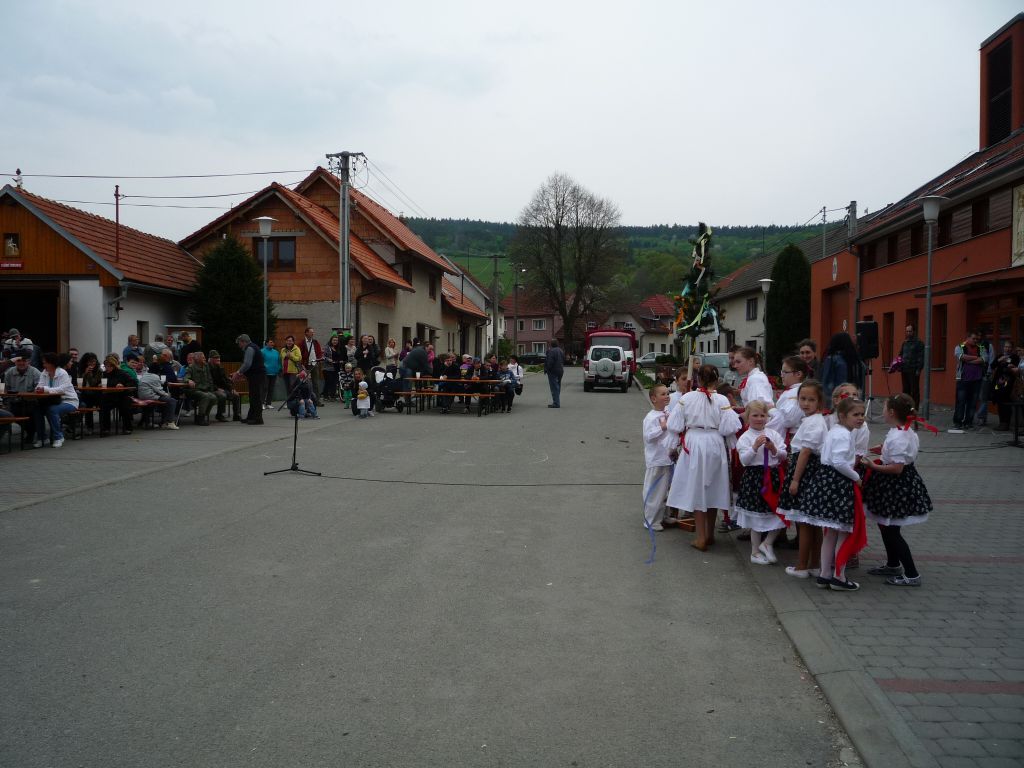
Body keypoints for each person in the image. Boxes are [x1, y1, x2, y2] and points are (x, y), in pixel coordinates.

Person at [791, 395, 866, 592]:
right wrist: (856, 477)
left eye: (862, 414)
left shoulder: (836, 431)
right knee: (843, 532)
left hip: (827, 481)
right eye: (855, 414)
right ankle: (839, 576)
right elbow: (839, 461)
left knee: (831, 533)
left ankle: (825, 574)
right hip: (837, 484)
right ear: (842, 415)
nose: (860, 418)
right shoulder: (843, 435)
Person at [665, 364, 742, 550]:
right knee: (713, 486)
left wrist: (672, 447)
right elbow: (729, 427)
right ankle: (709, 535)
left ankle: (701, 538)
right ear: (716, 380)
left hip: (695, 442)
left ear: (698, 379)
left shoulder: (687, 398)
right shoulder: (722, 399)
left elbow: (675, 425)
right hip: (715, 443)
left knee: (698, 488)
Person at [862, 393, 933, 587]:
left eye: (884, 408)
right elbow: (898, 452)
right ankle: (893, 564)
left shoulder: (900, 436)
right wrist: (883, 449)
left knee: (892, 530)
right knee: (887, 527)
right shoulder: (902, 430)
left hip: (896, 485)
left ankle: (912, 574)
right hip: (896, 483)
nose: (883, 411)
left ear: (892, 412)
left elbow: (897, 468)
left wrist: (873, 466)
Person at [778, 380, 827, 579]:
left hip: (807, 472)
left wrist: (796, 479)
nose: (805, 403)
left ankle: (801, 566)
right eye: (802, 399)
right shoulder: (811, 420)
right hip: (809, 471)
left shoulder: (815, 422)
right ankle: (814, 564)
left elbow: (806, 452)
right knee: (812, 522)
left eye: (811, 400)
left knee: (805, 521)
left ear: (819, 402)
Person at [734, 400, 787, 564]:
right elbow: (744, 460)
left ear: (767, 417)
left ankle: (767, 543)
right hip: (754, 478)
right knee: (756, 517)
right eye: (755, 415)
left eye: (762, 415)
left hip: (773, 477)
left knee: (780, 514)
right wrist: (754, 447)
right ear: (748, 417)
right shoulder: (745, 437)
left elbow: (783, 455)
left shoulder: (773, 434)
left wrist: (773, 449)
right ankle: (755, 552)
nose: (759, 419)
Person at [641, 384, 674, 532]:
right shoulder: (651, 417)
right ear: (654, 399)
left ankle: (663, 515)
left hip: (667, 458)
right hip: (656, 460)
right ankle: (651, 520)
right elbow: (648, 437)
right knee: (655, 491)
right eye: (663, 394)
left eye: (667, 393)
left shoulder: (667, 413)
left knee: (665, 490)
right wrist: (662, 427)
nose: (667, 396)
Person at [33, 352, 80, 448]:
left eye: (45, 363)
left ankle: (58, 437)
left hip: (69, 401)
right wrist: (39, 389)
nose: (44, 365)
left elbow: (62, 389)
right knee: (37, 409)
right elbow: (39, 385)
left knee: (52, 410)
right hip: (52, 400)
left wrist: (45, 389)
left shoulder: (62, 373)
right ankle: (42, 438)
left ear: (52, 363)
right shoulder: (44, 372)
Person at [3, 354, 42, 444]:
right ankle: (29, 431)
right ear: (15, 362)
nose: (21, 363)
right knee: (9, 413)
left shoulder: (35, 372)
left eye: (24, 361)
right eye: (19, 361)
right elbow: (5, 388)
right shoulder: (9, 372)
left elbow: (39, 389)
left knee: (30, 412)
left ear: (29, 361)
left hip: (31, 401)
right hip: (13, 401)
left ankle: (31, 433)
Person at [132, 356, 178, 429]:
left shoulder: (145, 375)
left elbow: (154, 386)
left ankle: (149, 422)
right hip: (150, 396)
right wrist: (167, 394)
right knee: (172, 401)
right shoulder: (155, 377)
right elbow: (159, 390)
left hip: (141, 396)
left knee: (165, 401)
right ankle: (169, 422)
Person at [953, 329, 986, 430]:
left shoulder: (981, 348)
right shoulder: (960, 346)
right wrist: (976, 358)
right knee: (961, 402)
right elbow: (961, 357)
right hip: (963, 379)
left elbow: (984, 359)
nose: (975, 340)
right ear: (968, 338)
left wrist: (969, 360)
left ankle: (968, 422)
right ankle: (958, 422)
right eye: (973, 338)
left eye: (977, 339)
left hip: (976, 379)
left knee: (972, 403)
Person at [819, 332, 865, 402]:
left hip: (837, 399)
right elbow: (860, 384)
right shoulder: (857, 362)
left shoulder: (832, 360)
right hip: (854, 399)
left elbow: (826, 382)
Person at [233, 334, 266, 425]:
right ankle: (251, 417)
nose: (239, 345)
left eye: (239, 343)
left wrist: (238, 373)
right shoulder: (253, 347)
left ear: (243, 342)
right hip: (257, 375)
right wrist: (242, 374)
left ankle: (258, 419)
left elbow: (247, 364)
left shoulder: (250, 348)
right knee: (253, 396)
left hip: (256, 376)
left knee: (256, 397)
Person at [99, 354, 135, 435]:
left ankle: (128, 427)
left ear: (113, 366)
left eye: (108, 366)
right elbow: (101, 383)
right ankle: (105, 428)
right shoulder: (104, 374)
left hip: (122, 395)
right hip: (110, 395)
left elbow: (132, 382)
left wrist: (123, 385)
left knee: (125, 405)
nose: (107, 368)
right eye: (105, 366)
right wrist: (99, 384)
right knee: (103, 405)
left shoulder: (122, 373)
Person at [182, 351, 221, 426]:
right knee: (205, 396)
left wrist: (211, 390)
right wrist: (189, 380)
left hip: (204, 389)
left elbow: (210, 379)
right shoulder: (191, 367)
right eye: (203, 358)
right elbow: (185, 378)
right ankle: (201, 418)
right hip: (193, 390)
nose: (205, 359)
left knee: (213, 397)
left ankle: (203, 415)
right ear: (197, 359)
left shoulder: (206, 366)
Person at [990, 341, 1021, 431]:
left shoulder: (1015, 357)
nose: (1007, 349)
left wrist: (1008, 364)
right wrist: (999, 360)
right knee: (999, 402)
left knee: (1006, 402)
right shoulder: (1000, 356)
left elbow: (1015, 369)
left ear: (1012, 348)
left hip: (1008, 383)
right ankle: (1001, 423)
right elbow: (992, 366)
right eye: (1006, 347)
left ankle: (1006, 423)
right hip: (998, 383)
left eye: (1009, 347)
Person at [208, 351, 242, 422]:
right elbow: (208, 382)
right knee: (222, 395)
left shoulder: (220, 368)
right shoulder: (207, 368)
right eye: (216, 357)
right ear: (210, 359)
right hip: (211, 389)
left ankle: (236, 415)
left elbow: (225, 381)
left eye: (219, 357)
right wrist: (217, 388)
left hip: (222, 389)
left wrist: (231, 389)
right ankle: (219, 415)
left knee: (236, 395)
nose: (218, 359)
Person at [972, 330, 996, 427]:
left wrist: (988, 373)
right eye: (976, 336)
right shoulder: (972, 345)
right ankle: (973, 417)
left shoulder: (988, 345)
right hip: (973, 375)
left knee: (983, 397)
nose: (978, 338)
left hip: (984, 375)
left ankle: (982, 418)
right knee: (974, 396)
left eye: (980, 336)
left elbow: (991, 360)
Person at [898, 325, 925, 407]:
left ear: (914, 332)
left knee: (914, 390)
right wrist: (898, 364)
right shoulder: (904, 343)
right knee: (905, 390)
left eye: (910, 331)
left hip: (913, 370)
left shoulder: (919, 343)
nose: (908, 333)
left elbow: (921, 357)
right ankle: (906, 408)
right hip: (904, 369)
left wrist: (919, 369)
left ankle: (915, 409)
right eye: (907, 331)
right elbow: (900, 355)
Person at [544, 339, 565, 408]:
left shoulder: (551, 351)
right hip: (560, 370)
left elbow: (550, 362)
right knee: (558, 386)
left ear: (551, 344)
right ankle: (556, 401)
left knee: (554, 387)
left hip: (553, 371)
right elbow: (563, 359)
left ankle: (556, 403)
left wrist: (547, 369)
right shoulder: (561, 350)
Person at [262, 338, 281, 408]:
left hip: (274, 373)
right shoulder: (262, 351)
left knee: (271, 389)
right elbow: (260, 362)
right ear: (266, 343)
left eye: (273, 342)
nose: (272, 344)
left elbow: (279, 362)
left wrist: (278, 369)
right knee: (264, 388)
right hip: (265, 373)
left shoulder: (276, 352)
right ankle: (262, 403)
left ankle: (268, 403)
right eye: (270, 342)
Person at [323, 335, 343, 401]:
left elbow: (339, 356)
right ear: (331, 340)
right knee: (328, 381)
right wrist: (328, 359)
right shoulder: (327, 347)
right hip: (328, 368)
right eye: (334, 340)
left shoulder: (338, 348)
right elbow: (323, 356)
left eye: (336, 340)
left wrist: (341, 360)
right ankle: (325, 395)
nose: (335, 342)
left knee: (334, 382)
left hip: (336, 367)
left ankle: (332, 396)